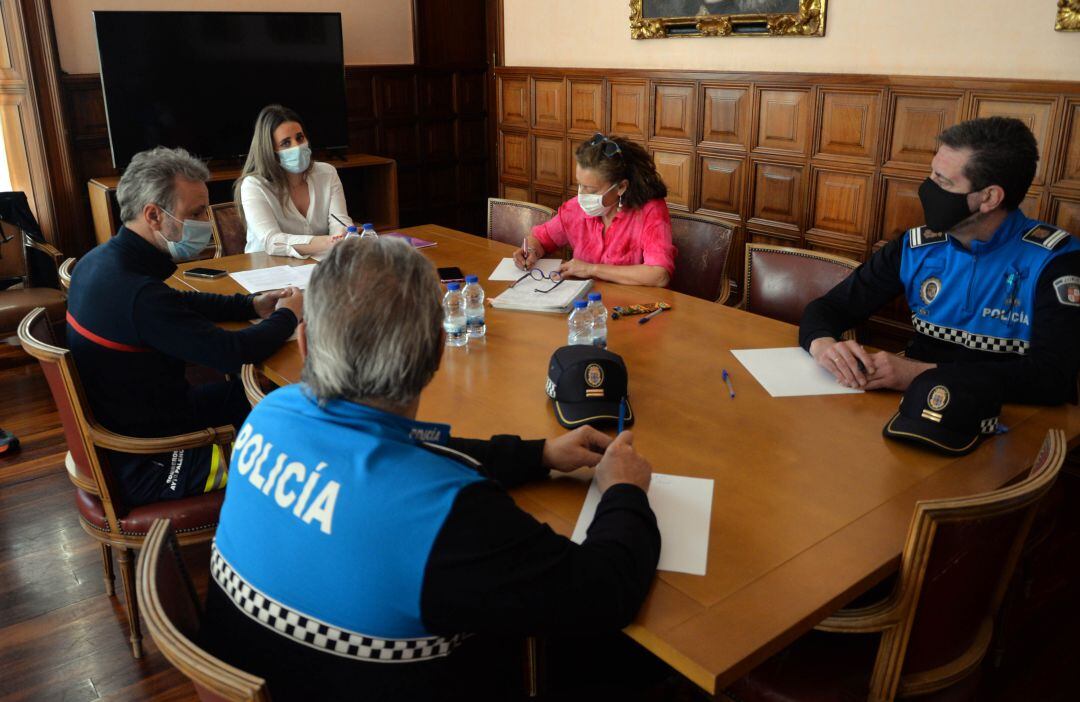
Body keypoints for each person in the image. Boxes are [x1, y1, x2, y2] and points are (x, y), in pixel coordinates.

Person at [202, 237, 661, 701]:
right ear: (439, 350)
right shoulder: (452, 516)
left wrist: (538, 454)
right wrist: (624, 491)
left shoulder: (270, 412)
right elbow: (605, 592)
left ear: (303, 342)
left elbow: (405, 448)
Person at [66, 147, 303, 506]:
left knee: (274, 398)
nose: (205, 223)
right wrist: (288, 314)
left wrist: (251, 303)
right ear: (153, 215)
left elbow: (177, 302)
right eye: (194, 213)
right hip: (154, 460)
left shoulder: (100, 261)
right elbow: (233, 353)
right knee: (301, 454)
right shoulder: (139, 296)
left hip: (146, 421)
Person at [799, 117, 1080, 405]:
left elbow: (1051, 378)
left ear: (989, 197)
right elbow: (830, 308)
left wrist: (917, 374)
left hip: (1010, 418)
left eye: (942, 180)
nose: (927, 188)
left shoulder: (1056, 261)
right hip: (917, 410)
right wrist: (824, 346)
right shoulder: (916, 246)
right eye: (931, 174)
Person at [515, 133, 676, 287]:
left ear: (621, 187)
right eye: (580, 185)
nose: (582, 195)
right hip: (585, 304)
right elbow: (541, 239)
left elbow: (659, 275)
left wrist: (591, 269)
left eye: (591, 190)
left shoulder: (650, 210)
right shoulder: (574, 209)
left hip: (632, 307)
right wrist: (530, 250)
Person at [235, 104, 351, 258]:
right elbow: (272, 241)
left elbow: (340, 221)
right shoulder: (254, 185)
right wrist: (327, 242)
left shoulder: (327, 173)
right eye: (286, 143)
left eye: (299, 138)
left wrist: (342, 235)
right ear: (270, 151)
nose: (297, 146)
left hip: (316, 266)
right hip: (267, 268)